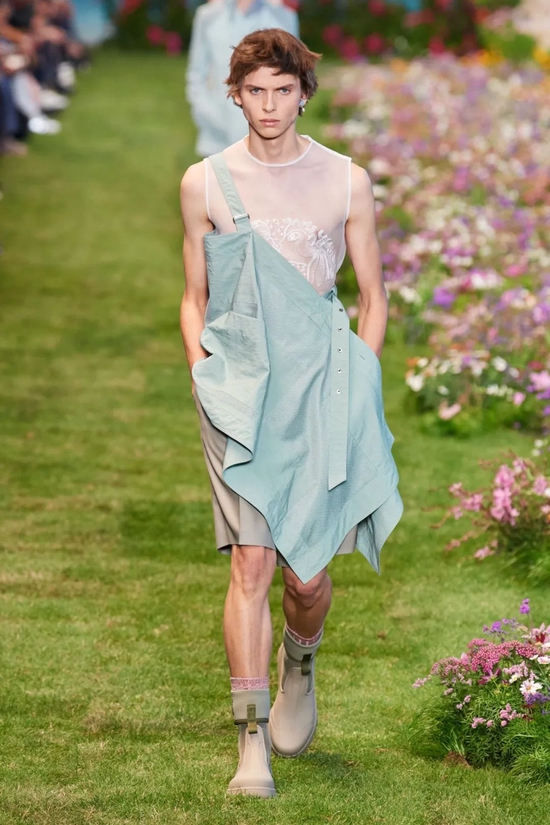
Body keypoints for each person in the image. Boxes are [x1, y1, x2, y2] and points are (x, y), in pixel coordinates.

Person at [179, 28, 403, 798]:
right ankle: (250, 743)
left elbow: (373, 295)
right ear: (236, 95)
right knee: (252, 561)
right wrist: (203, 374)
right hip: (240, 391)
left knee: (306, 576)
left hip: (322, 388)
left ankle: (299, 663)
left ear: (304, 95)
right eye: (255, 91)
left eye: (283, 90)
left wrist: (361, 378)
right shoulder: (205, 182)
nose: (269, 105)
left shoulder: (346, 180)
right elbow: (193, 295)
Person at [186, 0, 299, 156]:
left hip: (268, 140)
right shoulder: (208, 16)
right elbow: (196, 76)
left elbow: (293, 78)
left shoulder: (283, 17)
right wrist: (211, 118)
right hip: (217, 137)